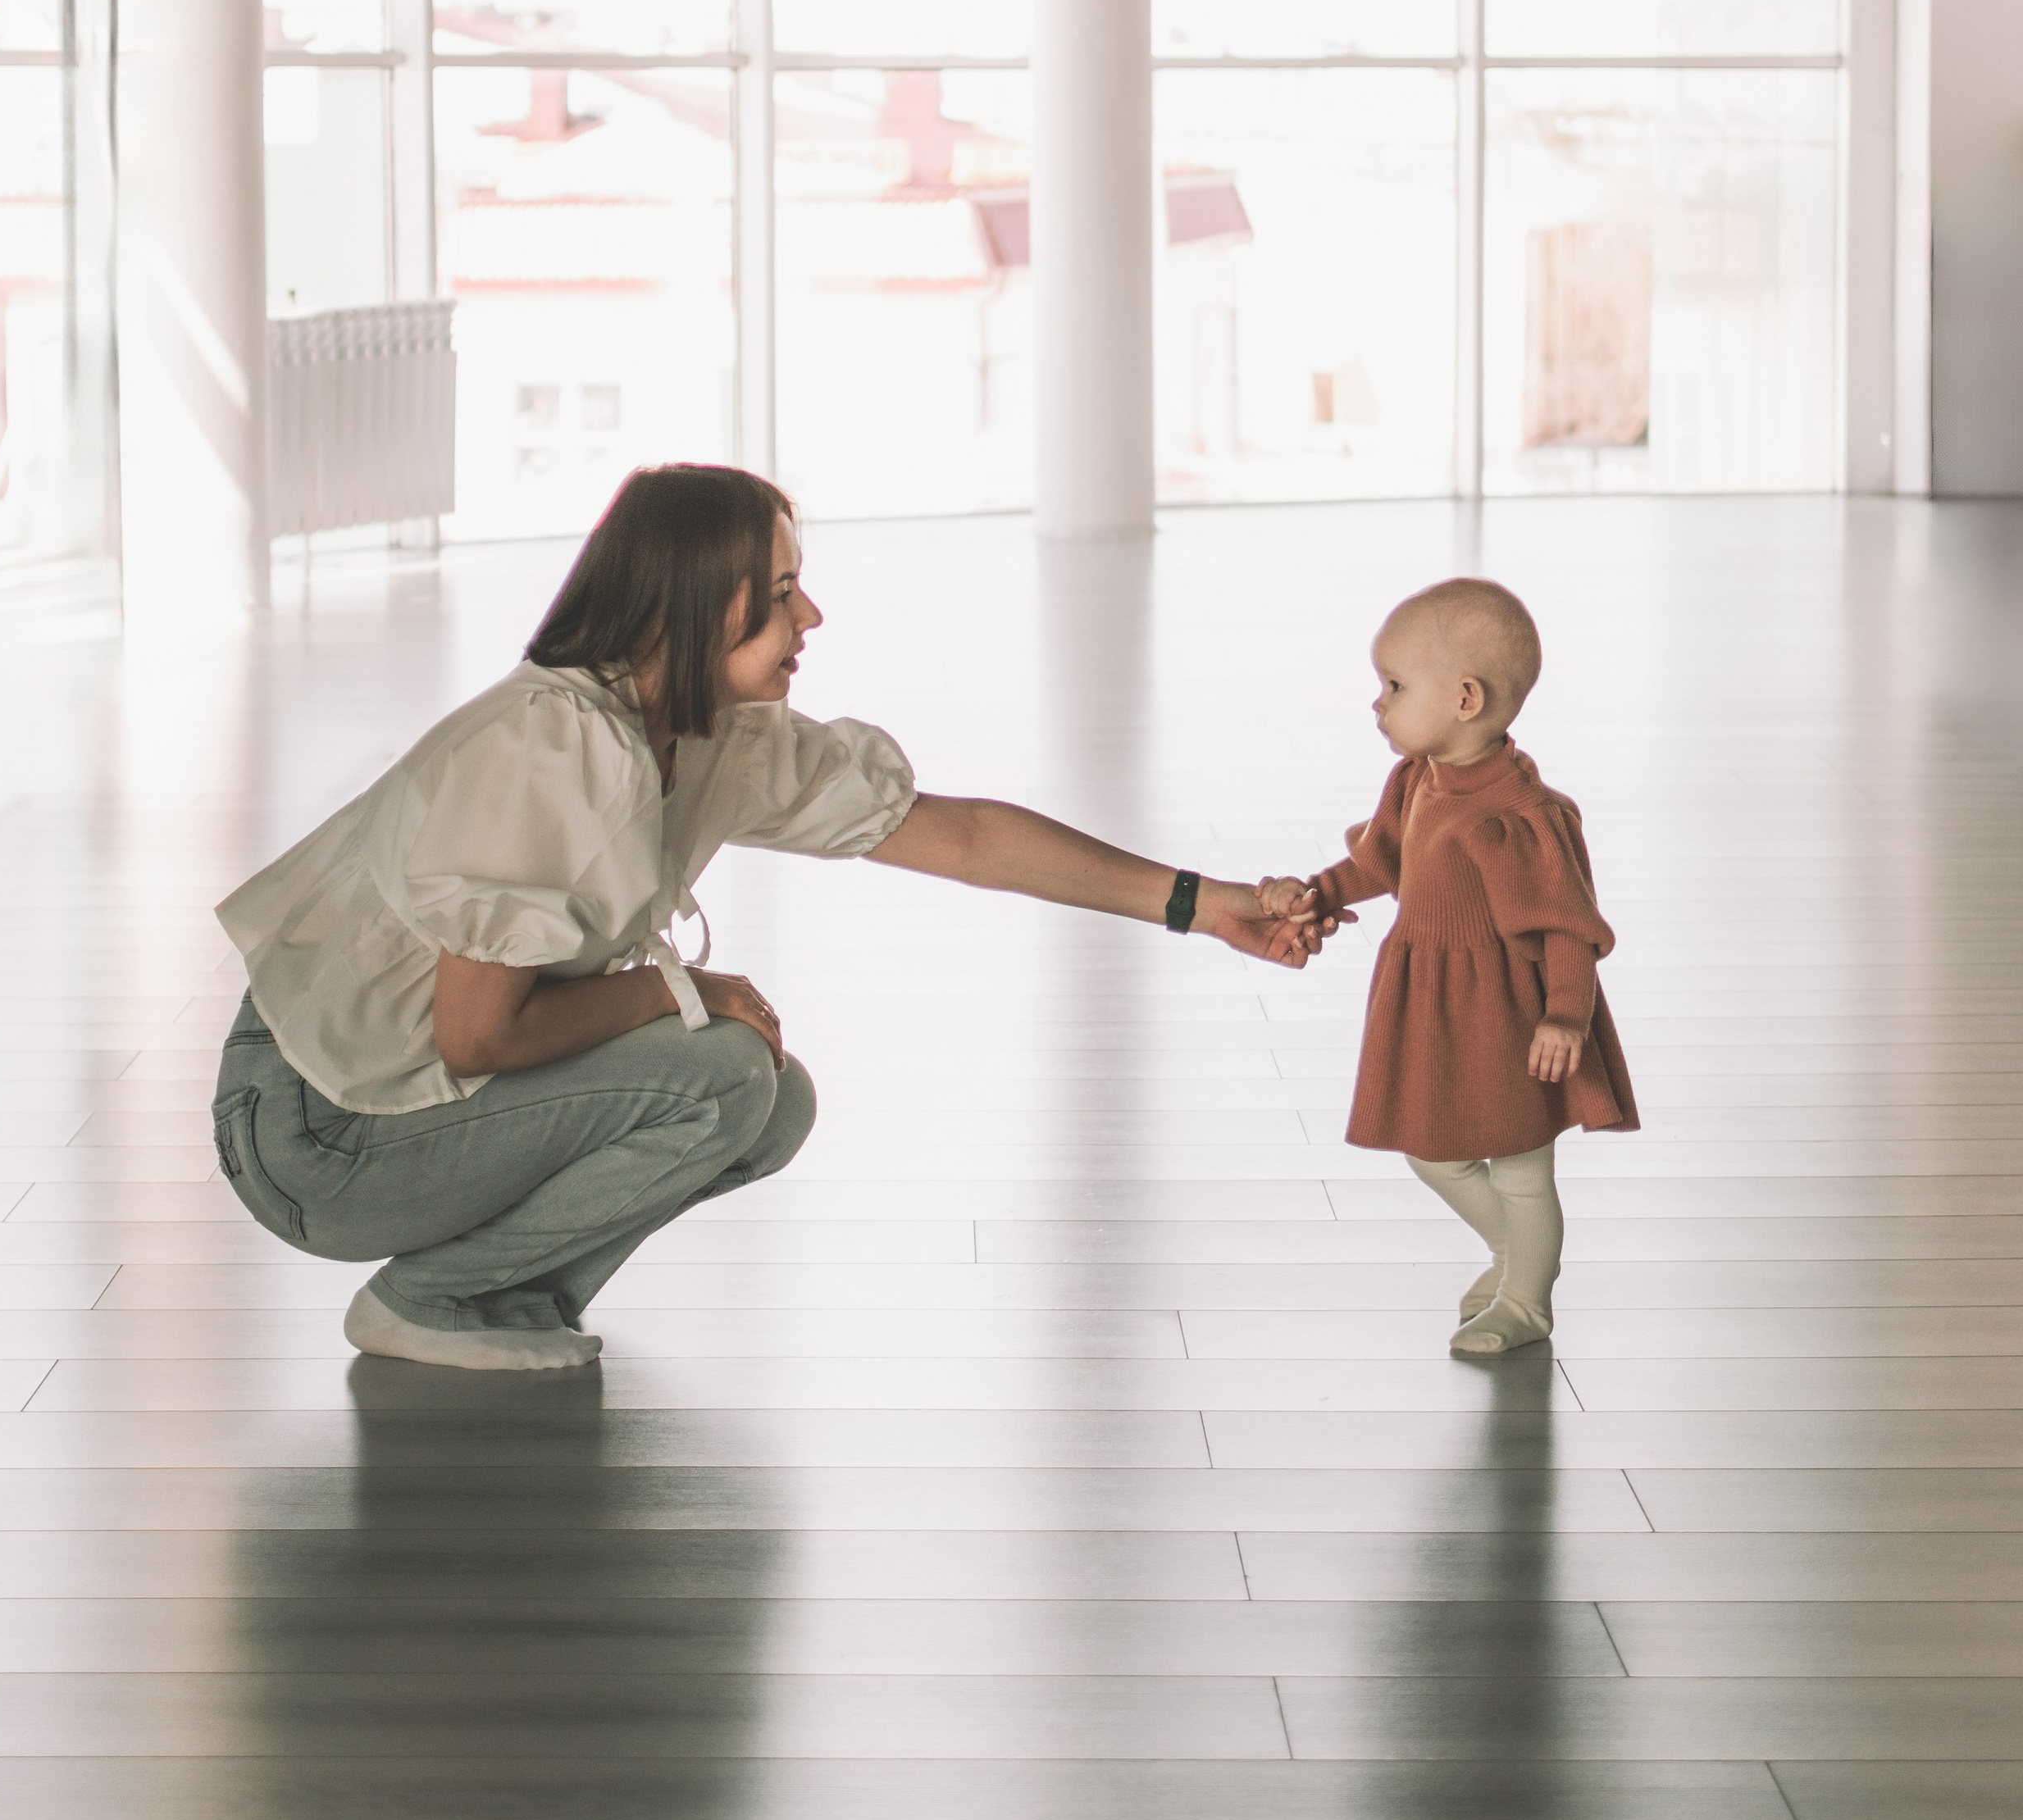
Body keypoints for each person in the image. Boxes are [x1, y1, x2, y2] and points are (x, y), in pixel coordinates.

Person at [213, 462, 1312, 1374]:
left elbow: (963, 837)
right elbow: (475, 1036)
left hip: (400, 1107)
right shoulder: (549, 747)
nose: (812, 615)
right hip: (315, 1133)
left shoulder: (709, 730)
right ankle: (433, 1302)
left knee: (768, 1102)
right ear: (681, 605)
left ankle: (487, 1303)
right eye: (781, 591)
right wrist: (672, 989)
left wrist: (1205, 908)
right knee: (729, 1070)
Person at [1260, 576, 1638, 1360]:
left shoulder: (1520, 816)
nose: (1378, 704)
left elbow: (1566, 925)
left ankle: (1527, 1301)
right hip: (1433, 997)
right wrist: (1320, 891)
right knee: (1436, 1151)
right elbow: (1383, 862)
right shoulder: (1416, 779)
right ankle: (1515, 1255)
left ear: (1466, 698)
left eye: (1394, 686)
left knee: (1521, 1164)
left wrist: (1565, 1012)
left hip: (1510, 1008)